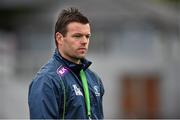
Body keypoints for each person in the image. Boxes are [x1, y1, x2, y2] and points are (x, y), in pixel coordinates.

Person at [28, 7, 104, 119]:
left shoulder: (94, 79)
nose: (84, 41)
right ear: (59, 38)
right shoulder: (47, 80)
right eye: (77, 36)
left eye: (87, 36)